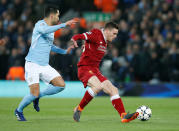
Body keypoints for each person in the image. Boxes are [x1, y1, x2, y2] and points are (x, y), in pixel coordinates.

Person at [14, 5, 78, 121]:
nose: (59, 18)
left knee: (61, 85)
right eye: (58, 15)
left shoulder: (51, 30)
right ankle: (19, 110)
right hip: (32, 64)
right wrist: (64, 24)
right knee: (33, 93)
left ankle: (39, 96)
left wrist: (64, 51)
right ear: (52, 15)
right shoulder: (40, 25)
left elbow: (50, 46)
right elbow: (44, 30)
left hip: (44, 65)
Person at [71, 22, 139, 123]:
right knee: (97, 86)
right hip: (85, 68)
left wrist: (86, 48)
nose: (115, 36)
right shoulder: (96, 34)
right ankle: (79, 109)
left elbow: (91, 47)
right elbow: (82, 36)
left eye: (116, 34)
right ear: (107, 31)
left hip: (95, 70)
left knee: (113, 90)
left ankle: (123, 116)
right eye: (114, 33)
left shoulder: (105, 40)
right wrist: (75, 39)